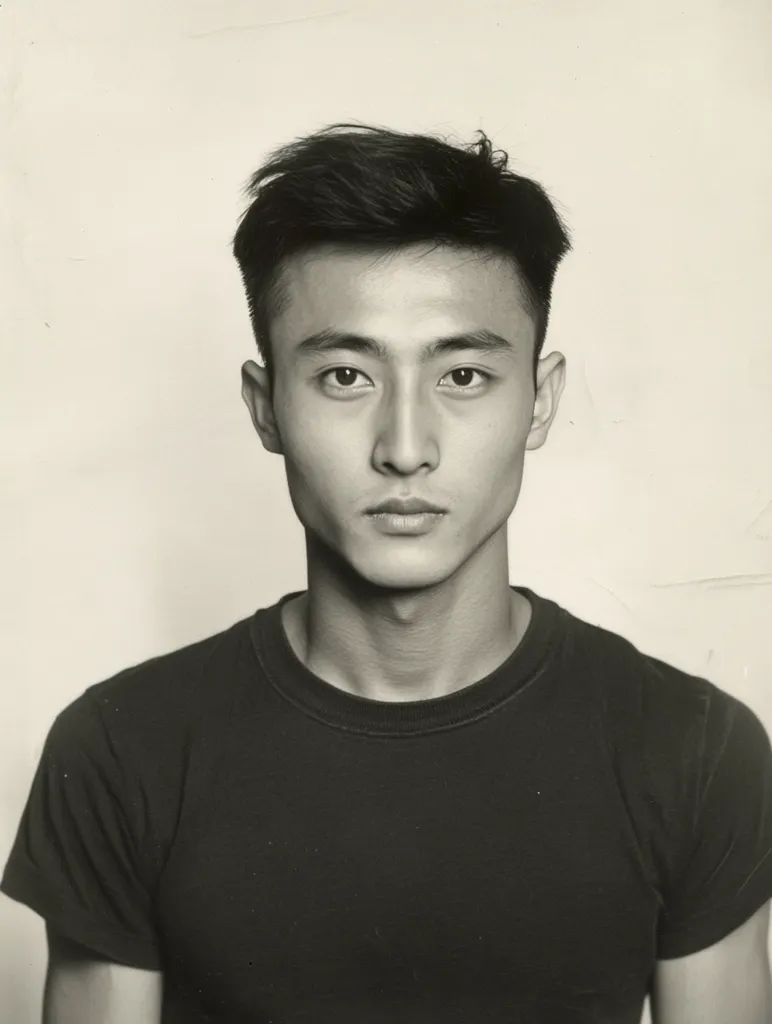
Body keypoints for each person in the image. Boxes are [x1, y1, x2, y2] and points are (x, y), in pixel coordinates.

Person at [3, 123, 772, 1024]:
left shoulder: (694, 749)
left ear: (541, 399)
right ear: (266, 407)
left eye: (464, 376)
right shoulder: (122, 749)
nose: (405, 448)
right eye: (344, 376)